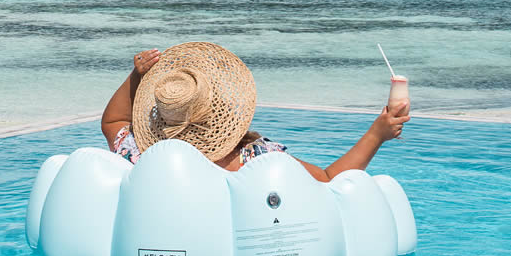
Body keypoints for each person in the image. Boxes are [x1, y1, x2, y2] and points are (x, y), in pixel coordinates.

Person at [101, 41, 409, 183]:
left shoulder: (138, 154)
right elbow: (330, 180)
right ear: (222, 109)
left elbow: (113, 120)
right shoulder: (256, 160)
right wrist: (376, 134)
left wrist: (136, 77)